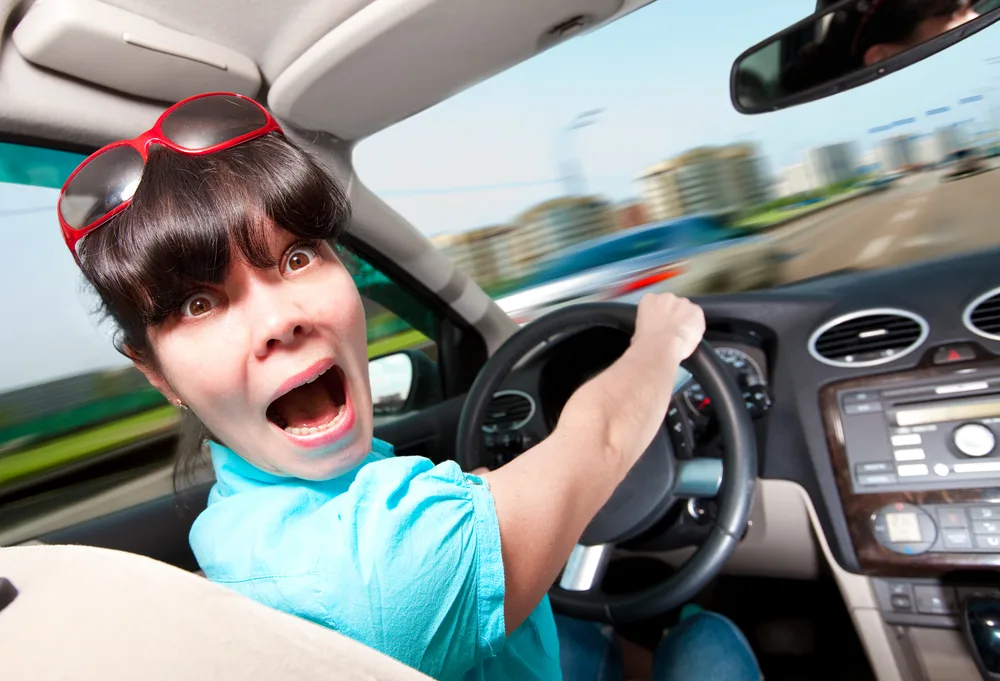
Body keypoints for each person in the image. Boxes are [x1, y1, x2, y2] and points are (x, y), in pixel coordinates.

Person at [57, 92, 761, 681]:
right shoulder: (382, 570)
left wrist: (478, 494)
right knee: (709, 638)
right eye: (200, 304)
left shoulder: (238, 519)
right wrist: (661, 338)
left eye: (297, 256)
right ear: (155, 373)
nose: (280, 319)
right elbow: (602, 437)